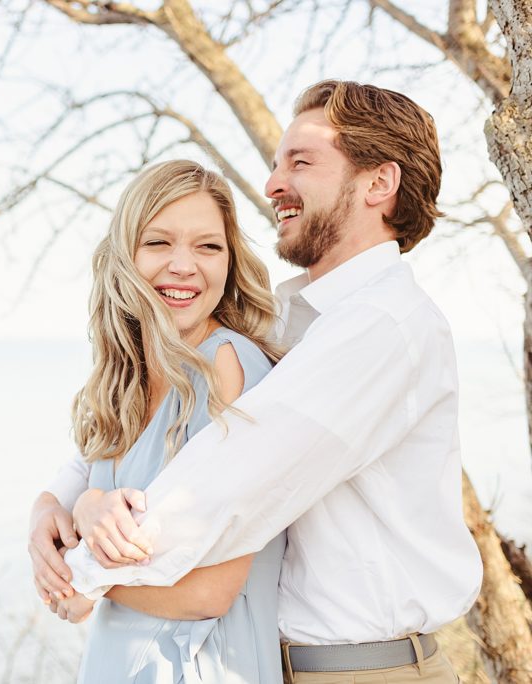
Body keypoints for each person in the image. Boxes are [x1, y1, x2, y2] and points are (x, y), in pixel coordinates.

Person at [29, 80, 482, 683]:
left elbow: (225, 480)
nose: (272, 184)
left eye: (301, 161)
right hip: (294, 664)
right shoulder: (300, 320)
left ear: (380, 183)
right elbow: (128, 446)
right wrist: (59, 502)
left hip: (367, 671)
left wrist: (84, 570)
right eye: (275, 163)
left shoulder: (381, 328)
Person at [37, 158, 287, 682]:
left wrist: (84, 582)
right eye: (159, 243)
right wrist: (53, 510)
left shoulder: (228, 368)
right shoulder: (128, 376)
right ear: (126, 255)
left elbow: (211, 591)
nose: (183, 265)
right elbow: (87, 482)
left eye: (207, 246)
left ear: (230, 262)